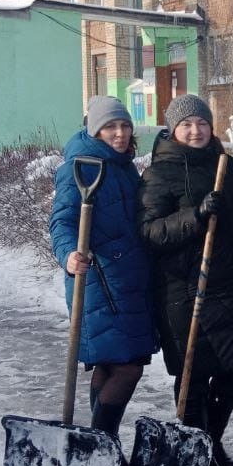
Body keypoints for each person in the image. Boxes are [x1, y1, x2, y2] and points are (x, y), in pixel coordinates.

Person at [137, 94, 233, 466]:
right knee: (193, 373)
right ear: (173, 129)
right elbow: (150, 233)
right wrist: (197, 214)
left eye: (202, 123)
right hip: (186, 289)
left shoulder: (227, 164)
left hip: (232, 286)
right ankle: (197, 452)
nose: (195, 130)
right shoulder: (159, 173)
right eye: (187, 124)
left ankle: (211, 441)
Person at [49, 95, 158, 438]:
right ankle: (103, 441)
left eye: (124, 125)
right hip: (99, 281)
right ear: (94, 130)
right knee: (128, 366)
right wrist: (68, 254)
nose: (120, 133)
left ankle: (99, 445)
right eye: (110, 126)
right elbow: (62, 222)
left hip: (129, 281)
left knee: (111, 362)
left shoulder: (123, 166)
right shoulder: (80, 167)